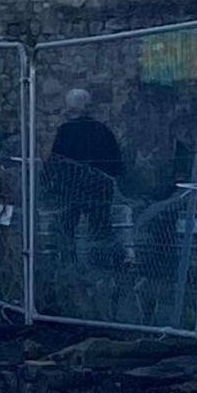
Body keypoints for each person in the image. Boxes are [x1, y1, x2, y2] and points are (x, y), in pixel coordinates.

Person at [41, 86, 128, 276]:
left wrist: (49, 184)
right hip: (99, 190)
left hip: (70, 191)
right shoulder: (103, 131)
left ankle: (69, 268)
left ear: (70, 108)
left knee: (66, 231)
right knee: (99, 231)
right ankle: (99, 269)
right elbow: (116, 163)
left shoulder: (65, 132)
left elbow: (56, 162)